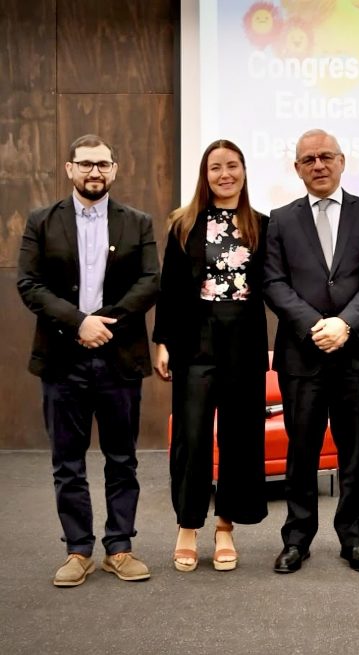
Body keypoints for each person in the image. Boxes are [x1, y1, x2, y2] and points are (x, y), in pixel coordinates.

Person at [17, 134, 159, 586]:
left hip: (119, 357)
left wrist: (103, 322)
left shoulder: (137, 222)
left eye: (102, 164)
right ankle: (78, 551)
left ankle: (120, 547)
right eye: (85, 165)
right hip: (63, 360)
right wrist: (79, 322)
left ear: (115, 170)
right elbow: (29, 284)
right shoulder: (42, 221)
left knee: (122, 459)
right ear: (69, 169)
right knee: (67, 462)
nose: (94, 172)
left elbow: (151, 280)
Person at [264, 129, 359, 574]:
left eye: (326, 157)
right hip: (303, 353)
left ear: (342, 161)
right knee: (301, 451)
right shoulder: (279, 220)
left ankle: (354, 540)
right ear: (297, 168)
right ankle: (297, 539)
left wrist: (345, 323)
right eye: (308, 160)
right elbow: (274, 283)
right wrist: (314, 324)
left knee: (354, 452)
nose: (318, 165)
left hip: (358, 352)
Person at [153, 140, 269, 572]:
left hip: (244, 342)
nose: (225, 174)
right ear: (205, 174)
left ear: (243, 170)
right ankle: (188, 526)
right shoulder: (184, 224)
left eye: (232, 166)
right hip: (194, 340)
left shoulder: (262, 224)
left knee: (239, 437)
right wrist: (162, 341)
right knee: (193, 435)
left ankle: (225, 527)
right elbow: (169, 288)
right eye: (216, 167)